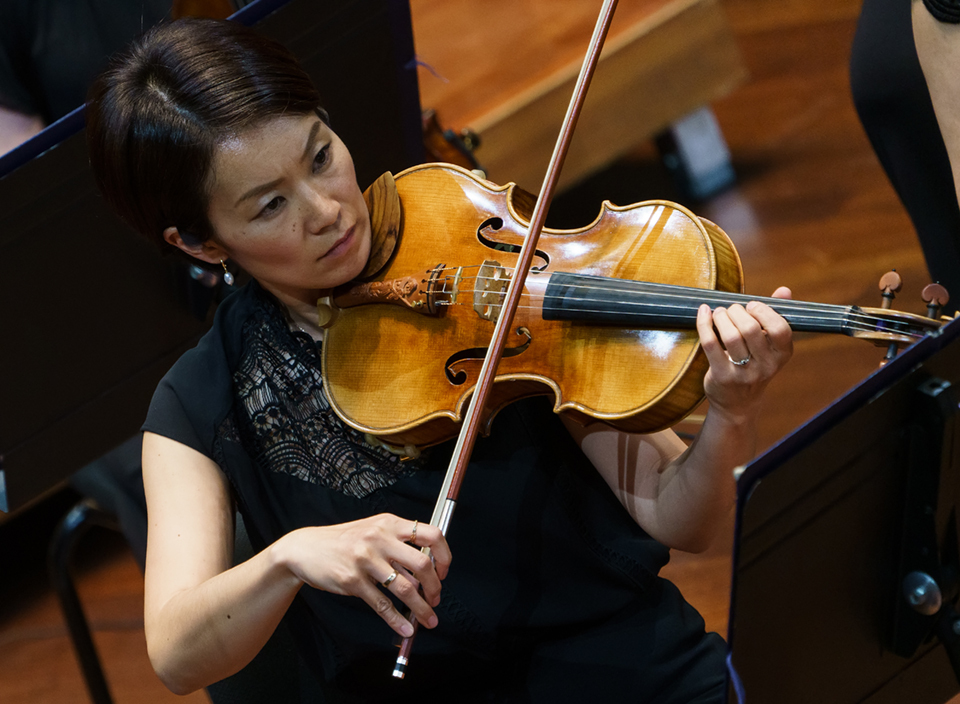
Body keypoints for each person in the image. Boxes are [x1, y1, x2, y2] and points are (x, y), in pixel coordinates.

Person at [85, 17, 794, 702]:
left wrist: (732, 410)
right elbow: (177, 655)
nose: (327, 209)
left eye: (320, 156)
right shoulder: (203, 399)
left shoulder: (471, 251)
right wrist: (288, 557)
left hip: (632, 672)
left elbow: (683, 519)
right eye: (271, 205)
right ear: (202, 244)